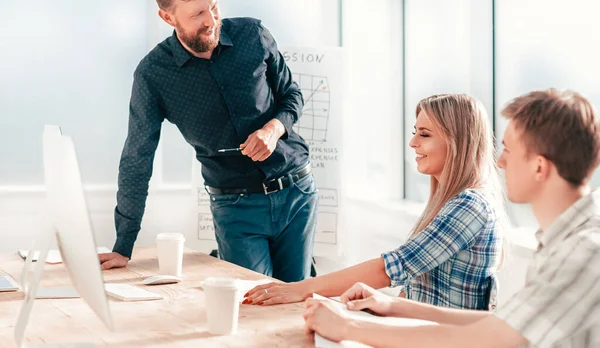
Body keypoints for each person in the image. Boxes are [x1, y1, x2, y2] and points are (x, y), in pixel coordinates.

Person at [304, 89, 600, 348]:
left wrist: (347, 328)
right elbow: (497, 323)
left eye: (509, 150)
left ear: (539, 167)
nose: (500, 161)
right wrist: (391, 305)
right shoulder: (564, 240)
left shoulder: (585, 252)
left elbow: (496, 336)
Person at [98, 0, 319, 282]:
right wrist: (123, 246)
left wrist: (274, 129)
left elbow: (291, 95)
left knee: (296, 301)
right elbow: (137, 157)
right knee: (250, 302)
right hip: (236, 208)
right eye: (197, 14)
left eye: (213, 7)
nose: (211, 20)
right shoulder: (153, 74)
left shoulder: (253, 33)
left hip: (296, 193)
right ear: (168, 17)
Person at [245, 94, 505, 310]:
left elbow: (391, 268)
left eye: (425, 135)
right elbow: (417, 287)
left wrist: (301, 288)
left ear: (458, 142)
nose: (413, 142)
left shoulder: (470, 206)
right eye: (415, 132)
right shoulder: (452, 201)